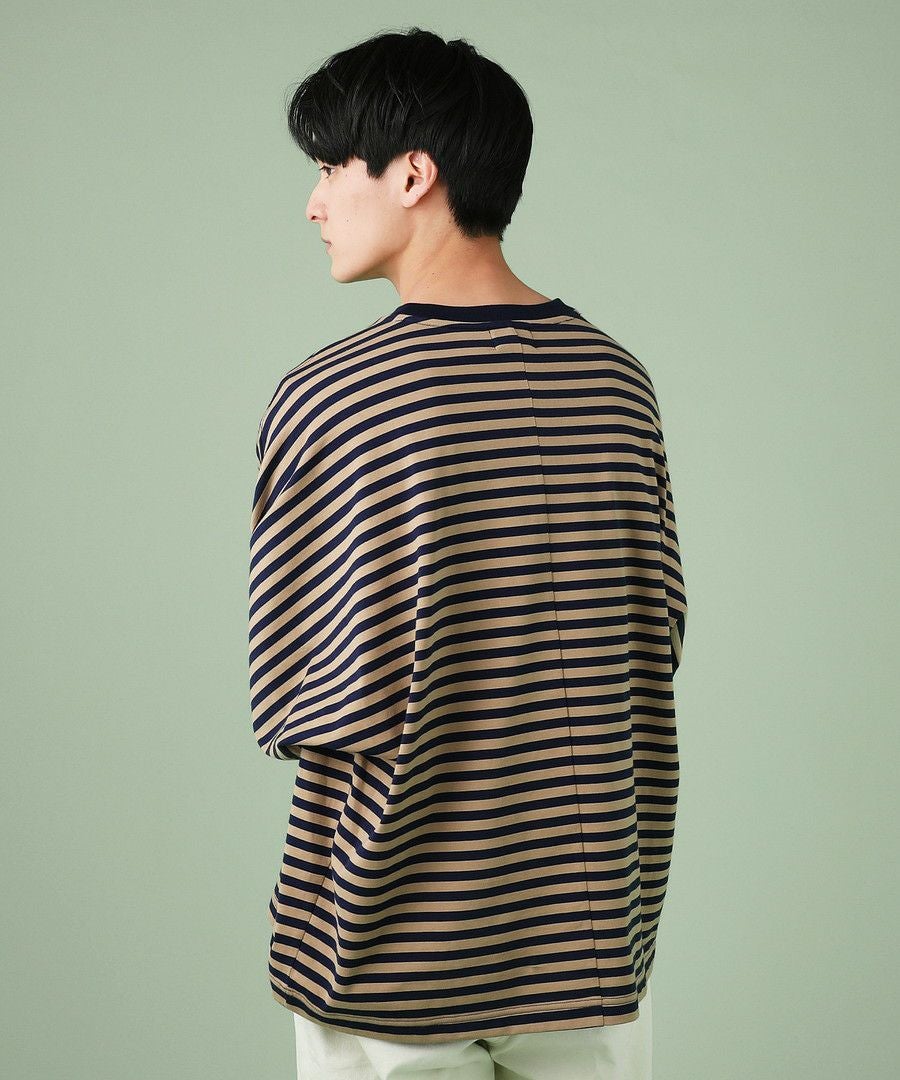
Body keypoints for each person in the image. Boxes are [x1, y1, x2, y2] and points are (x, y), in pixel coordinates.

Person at [249, 25, 687, 1080]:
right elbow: (656, 636)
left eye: (330, 167)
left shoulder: (333, 398)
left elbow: (298, 690)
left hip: (389, 936)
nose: (313, 203)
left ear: (412, 175)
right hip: (591, 930)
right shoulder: (617, 383)